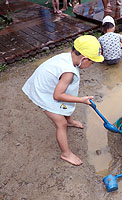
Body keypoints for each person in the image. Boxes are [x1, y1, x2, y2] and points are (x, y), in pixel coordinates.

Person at [22, 35, 104, 166]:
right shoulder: (68, 72)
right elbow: (57, 96)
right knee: (61, 123)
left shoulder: (69, 57)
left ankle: (70, 120)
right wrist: (81, 100)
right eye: (92, 62)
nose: (91, 65)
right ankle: (66, 154)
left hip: (48, 86)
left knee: (66, 104)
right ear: (84, 59)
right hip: (42, 92)